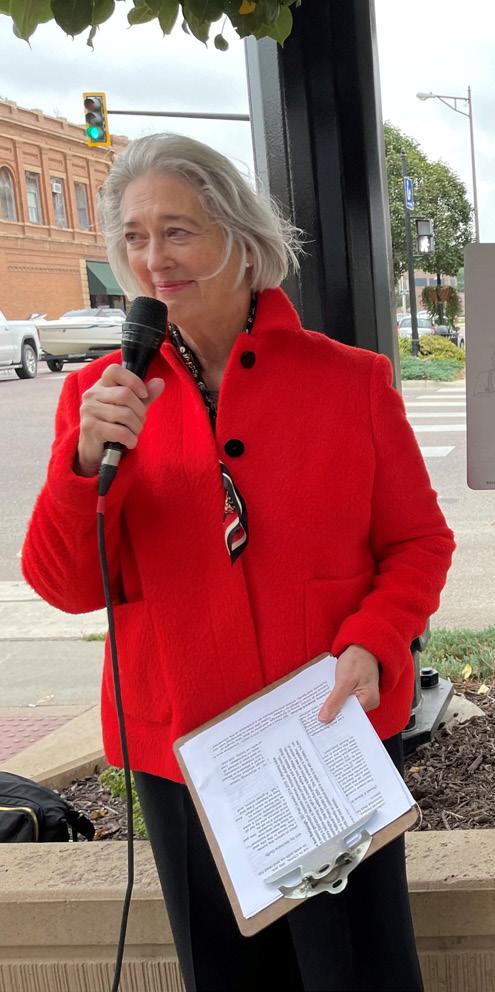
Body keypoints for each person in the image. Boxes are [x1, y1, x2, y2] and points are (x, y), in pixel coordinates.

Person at [22, 133, 454, 991]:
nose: (153, 259)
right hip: (187, 755)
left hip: (324, 734)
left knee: (357, 972)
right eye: (135, 237)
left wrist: (376, 639)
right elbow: (66, 586)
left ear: (243, 239)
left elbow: (418, 542)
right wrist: (85, 462)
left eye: (177, 231)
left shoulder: (351, 382)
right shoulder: (97, 396)